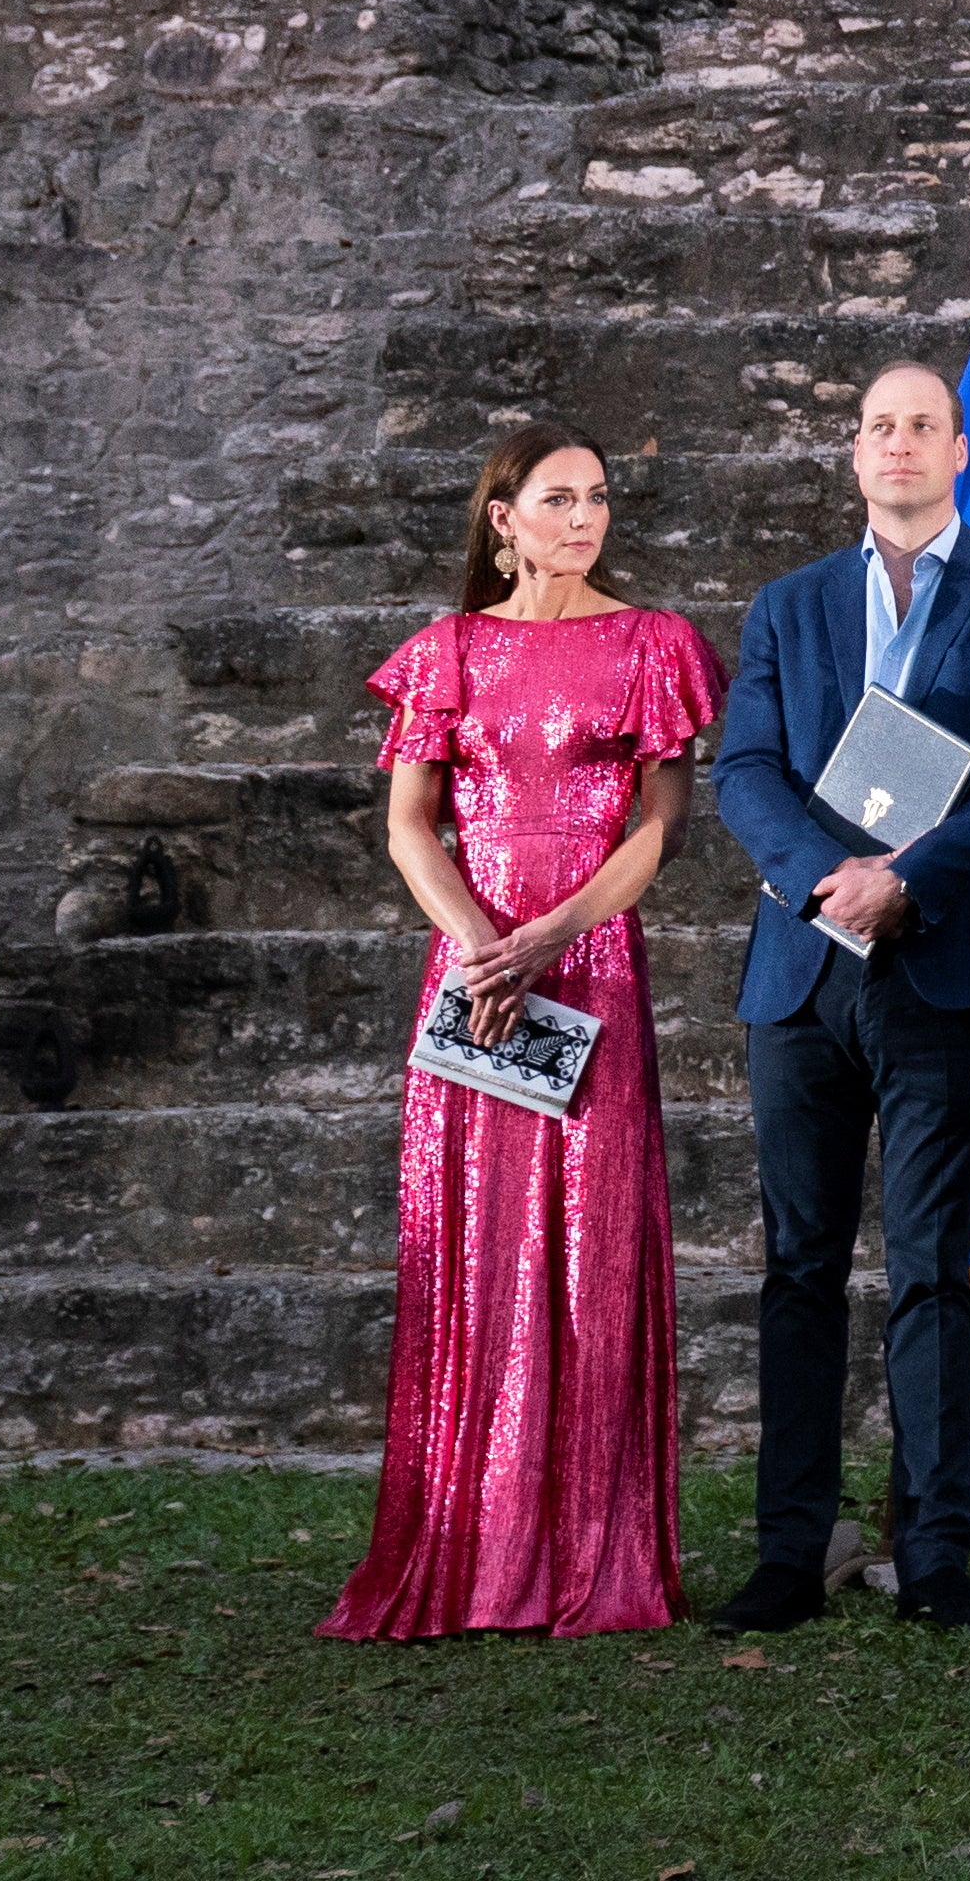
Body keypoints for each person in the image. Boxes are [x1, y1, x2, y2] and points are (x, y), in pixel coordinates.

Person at [706, 362, 970, 1633]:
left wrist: (904, 881)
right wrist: (829, 880)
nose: (900, 444)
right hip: (805, 969)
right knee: (799, 1266)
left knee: (931, 1270)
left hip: (943, 965)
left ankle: (935, 1554)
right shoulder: (789, 603)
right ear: (852, 453)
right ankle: (789, 1550)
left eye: (923, 424)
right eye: (878, 426)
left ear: (961, 451)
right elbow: (746, 769)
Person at [325, 421, 721, 1641]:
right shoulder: (445, 651)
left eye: (598, 498)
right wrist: (480, 945)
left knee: (594, 1249)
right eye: (559, 499)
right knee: (475, 1245)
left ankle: (586, 1557)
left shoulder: (653, 645)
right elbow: (408, 826)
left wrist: (548, 935)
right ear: (503, 517)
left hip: (588, 962)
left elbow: (658, 828)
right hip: (478, 974)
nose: (585, 518)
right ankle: (472, 1546)